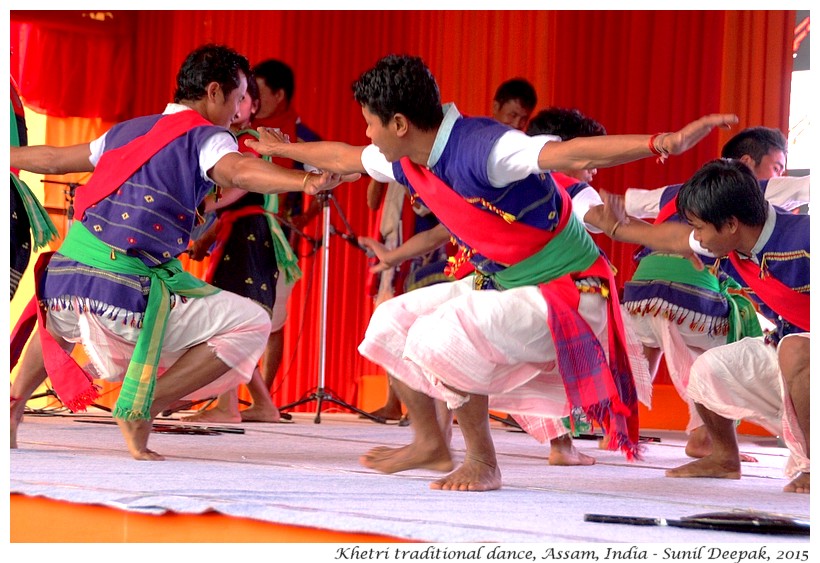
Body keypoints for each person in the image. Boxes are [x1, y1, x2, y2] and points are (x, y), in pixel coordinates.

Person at [246, 53, 737, 491]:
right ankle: (431, 443)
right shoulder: (409, 154)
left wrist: (665, 142)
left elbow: (572, 155)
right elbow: (345, 157)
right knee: (392, 321)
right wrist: (283, 151)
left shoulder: (490, 148)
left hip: (566, 292)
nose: (366, 134)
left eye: (369, 123)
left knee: (439, 335)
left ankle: (482, 461)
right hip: (507, 282)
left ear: (398, 122)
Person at [9, 44, 352, 460]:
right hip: (123, 297)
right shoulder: (208, 137)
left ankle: (12, 408)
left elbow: (53, 157)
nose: (239, 109)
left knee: (61, 314)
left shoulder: (129, 130)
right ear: (213, 92)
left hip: (63, 283)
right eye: (238, 97)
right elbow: (239, 170)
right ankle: (142, 407)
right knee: (252, 323)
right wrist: (306, 184)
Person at [595, 159, 809, 493]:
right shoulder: (729, 240)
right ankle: (724, 457)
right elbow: (666, 237)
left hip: (804, 349)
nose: (696, 237)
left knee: (796, 348)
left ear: (731, 224)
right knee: (710, 366)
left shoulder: (806, 237)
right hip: (790, 344)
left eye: (699, 228)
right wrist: (613, 225)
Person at [361, 78, 539, 424]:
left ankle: (449, 420)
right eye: (513, 114)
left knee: (450, 330)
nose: (517, 124)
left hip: (472, 255)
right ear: (496, 107)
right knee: (397, 316)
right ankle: (413, 413)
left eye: (523, 120)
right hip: (422, 241)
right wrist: (376, 168)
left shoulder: (481, 152)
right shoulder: (413, 152)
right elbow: (371, 197)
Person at [183, 70, 298, 423]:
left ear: (254, 107)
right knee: (231, 318)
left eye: (244, 98)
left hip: (250, 235)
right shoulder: (226, 141)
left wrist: (205, 206)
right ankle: (262, 405)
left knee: (227, 318)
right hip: (240, 233)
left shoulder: (247, 142)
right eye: (238, 96)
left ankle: (227, 406)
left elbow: (237, 193)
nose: (237, 105)